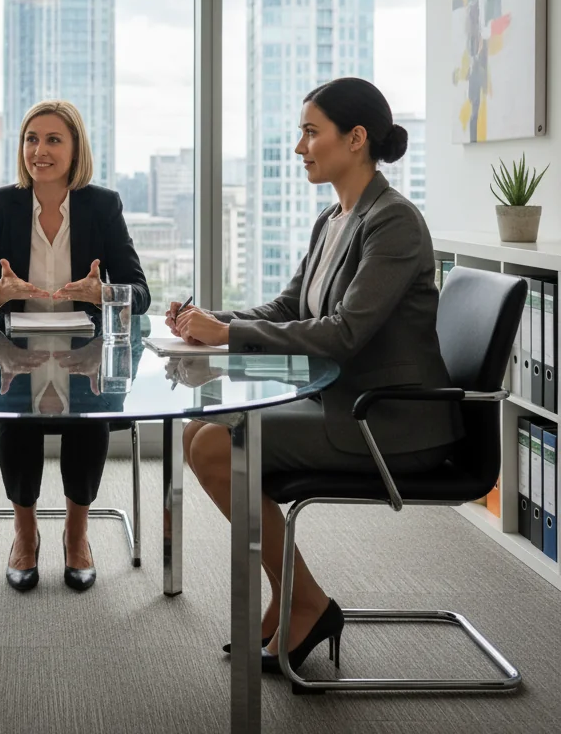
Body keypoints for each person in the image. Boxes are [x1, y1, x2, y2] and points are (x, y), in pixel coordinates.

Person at [166, 77, 461, 674]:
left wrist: (227, 336)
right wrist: (211, 322)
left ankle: (306, 602)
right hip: (342, 400)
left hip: (386, 418)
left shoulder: (394, 223)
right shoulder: (333, 219)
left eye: (310, 132)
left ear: (355, 139)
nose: (299, 148)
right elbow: (290, 308)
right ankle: (297, 596)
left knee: (220, 445)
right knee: (198, 432)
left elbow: (345, 332)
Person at [0, 99, 150, 592]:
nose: (39, 151)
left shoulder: (102, 205)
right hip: (13, 344)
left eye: (53, 140)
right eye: (31, 139)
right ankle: (25, 534)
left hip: (85, 347)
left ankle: (77, 534)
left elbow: (140, 294)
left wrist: (102, 294)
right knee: (15, 411)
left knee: (90, 411)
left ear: (75, 148)